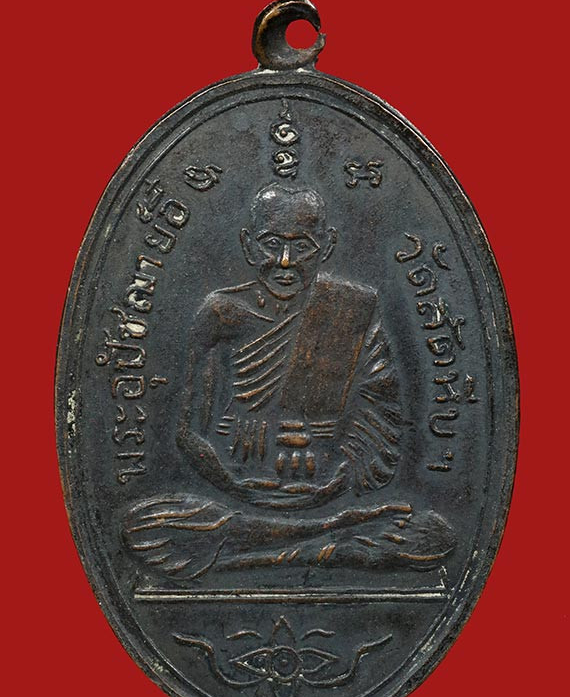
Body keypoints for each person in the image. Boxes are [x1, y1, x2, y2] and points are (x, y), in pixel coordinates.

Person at [123, 184, 455, 577]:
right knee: (145, 527)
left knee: (426, 532)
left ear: (327, 246)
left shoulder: (352, 308)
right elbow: (190, 432)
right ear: (248, 245)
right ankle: (330, 541)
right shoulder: (221, 313)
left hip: (329, 496)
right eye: (270, 244)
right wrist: (236, 484)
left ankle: (323, 535)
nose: (284, 262)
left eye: (302, 247)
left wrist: (335, 481)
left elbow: (380, 416)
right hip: (231, 496)